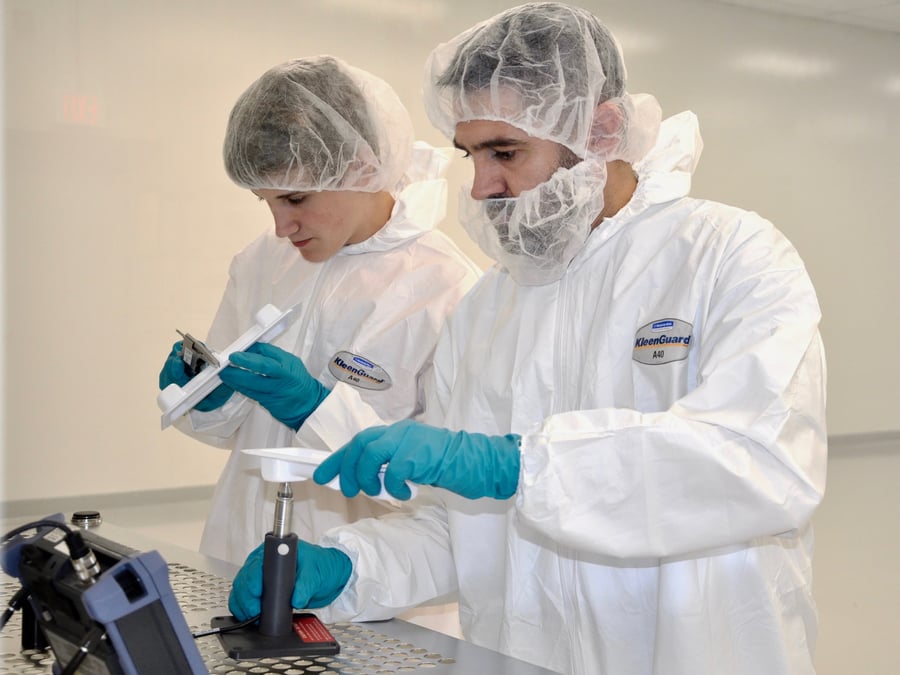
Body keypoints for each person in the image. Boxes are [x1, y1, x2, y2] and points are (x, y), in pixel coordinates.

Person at [228, 5, 827, 675]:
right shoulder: (489, 308)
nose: (481, 186)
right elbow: (461, 529)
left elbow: (760, 462)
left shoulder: (730, 256)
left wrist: (521, 465)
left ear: (600, 131)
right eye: (471, 154)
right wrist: (351, 567)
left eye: (504, 151)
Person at [157, 55, 480, 572]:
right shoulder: (263, 260)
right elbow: (226, 431)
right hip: (238, 553)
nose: (282, 226)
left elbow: (439, 489)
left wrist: (315, 410)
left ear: (360, 166)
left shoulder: (445, 287)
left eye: (295, 198)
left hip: (359, 580)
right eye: (267, 202)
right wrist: (205, 395)